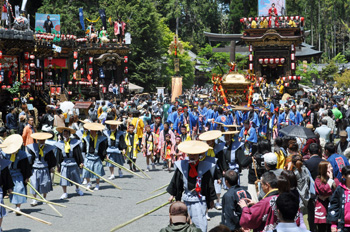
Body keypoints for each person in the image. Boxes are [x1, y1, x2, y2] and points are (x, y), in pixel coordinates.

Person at [167, 140, 217, 232]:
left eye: (195, 154)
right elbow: (177, 181)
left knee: (200, 224)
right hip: (186, 199)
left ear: (199, 155)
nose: (192, 156)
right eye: (190, 154)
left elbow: (209, 184)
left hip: (199, 201)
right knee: (184, 224)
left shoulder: (205, 167)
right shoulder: (182, 166)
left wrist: (211, 199)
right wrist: (174, 195)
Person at [1, 135, 30, 214]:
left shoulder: (22, 154)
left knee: (20, 189)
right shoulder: (5, 154)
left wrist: (27, 177)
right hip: (9, 175)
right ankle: (16, 205)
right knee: (12, 191)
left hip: (18, 174)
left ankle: (18, 207)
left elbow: (26, 166)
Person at [27, 132, 57, 206]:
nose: (42, 141)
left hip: (45, 168)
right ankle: (34, 199)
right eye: (40, 140)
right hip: (35, 168)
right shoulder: (33, 147)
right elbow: (30, 159)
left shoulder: (49, 148)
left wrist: (51, 167)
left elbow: (52, 159)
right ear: (38, 140)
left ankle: (44, 198)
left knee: (44, 183)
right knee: (34, 184)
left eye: (43, 139)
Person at [55, 127, 84, 199]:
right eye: (64, 134)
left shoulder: (75, 142)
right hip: (64, 163)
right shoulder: (59, 144)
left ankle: (78, 189)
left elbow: (78, 154)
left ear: (69, 134)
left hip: (73, 162)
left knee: (76, 177)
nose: (65, 135)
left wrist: (81, 162)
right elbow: (58, 156)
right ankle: (65, 193)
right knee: (64, 178)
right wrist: (58, 166)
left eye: (67, 133)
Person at [81, 123, 107, 191]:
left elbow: (103, 149)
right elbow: (83, 149)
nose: (92, 132)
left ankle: (97, 184)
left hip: (96, 156)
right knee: (86, 171)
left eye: (94, 130)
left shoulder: (101, 139)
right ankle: (89, 183)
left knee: (97, 171)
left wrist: (104, 155)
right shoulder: (86, 138)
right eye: (91, 130)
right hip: (88, 156)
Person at [314, 161, 339, 232]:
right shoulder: (318, 180)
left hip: (333, 208)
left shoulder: (336, 180)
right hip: (322, 208)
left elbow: (337, 192)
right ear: (323, 169)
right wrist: (330, 180)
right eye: (329, 167)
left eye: (331, 166)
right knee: (322, 228)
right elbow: (324, 190)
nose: (331, 168)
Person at [328, 166, 350, 232]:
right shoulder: (340, 189)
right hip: (343, 225)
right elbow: (334, 206)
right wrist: (333, 224)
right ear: (344, 176)